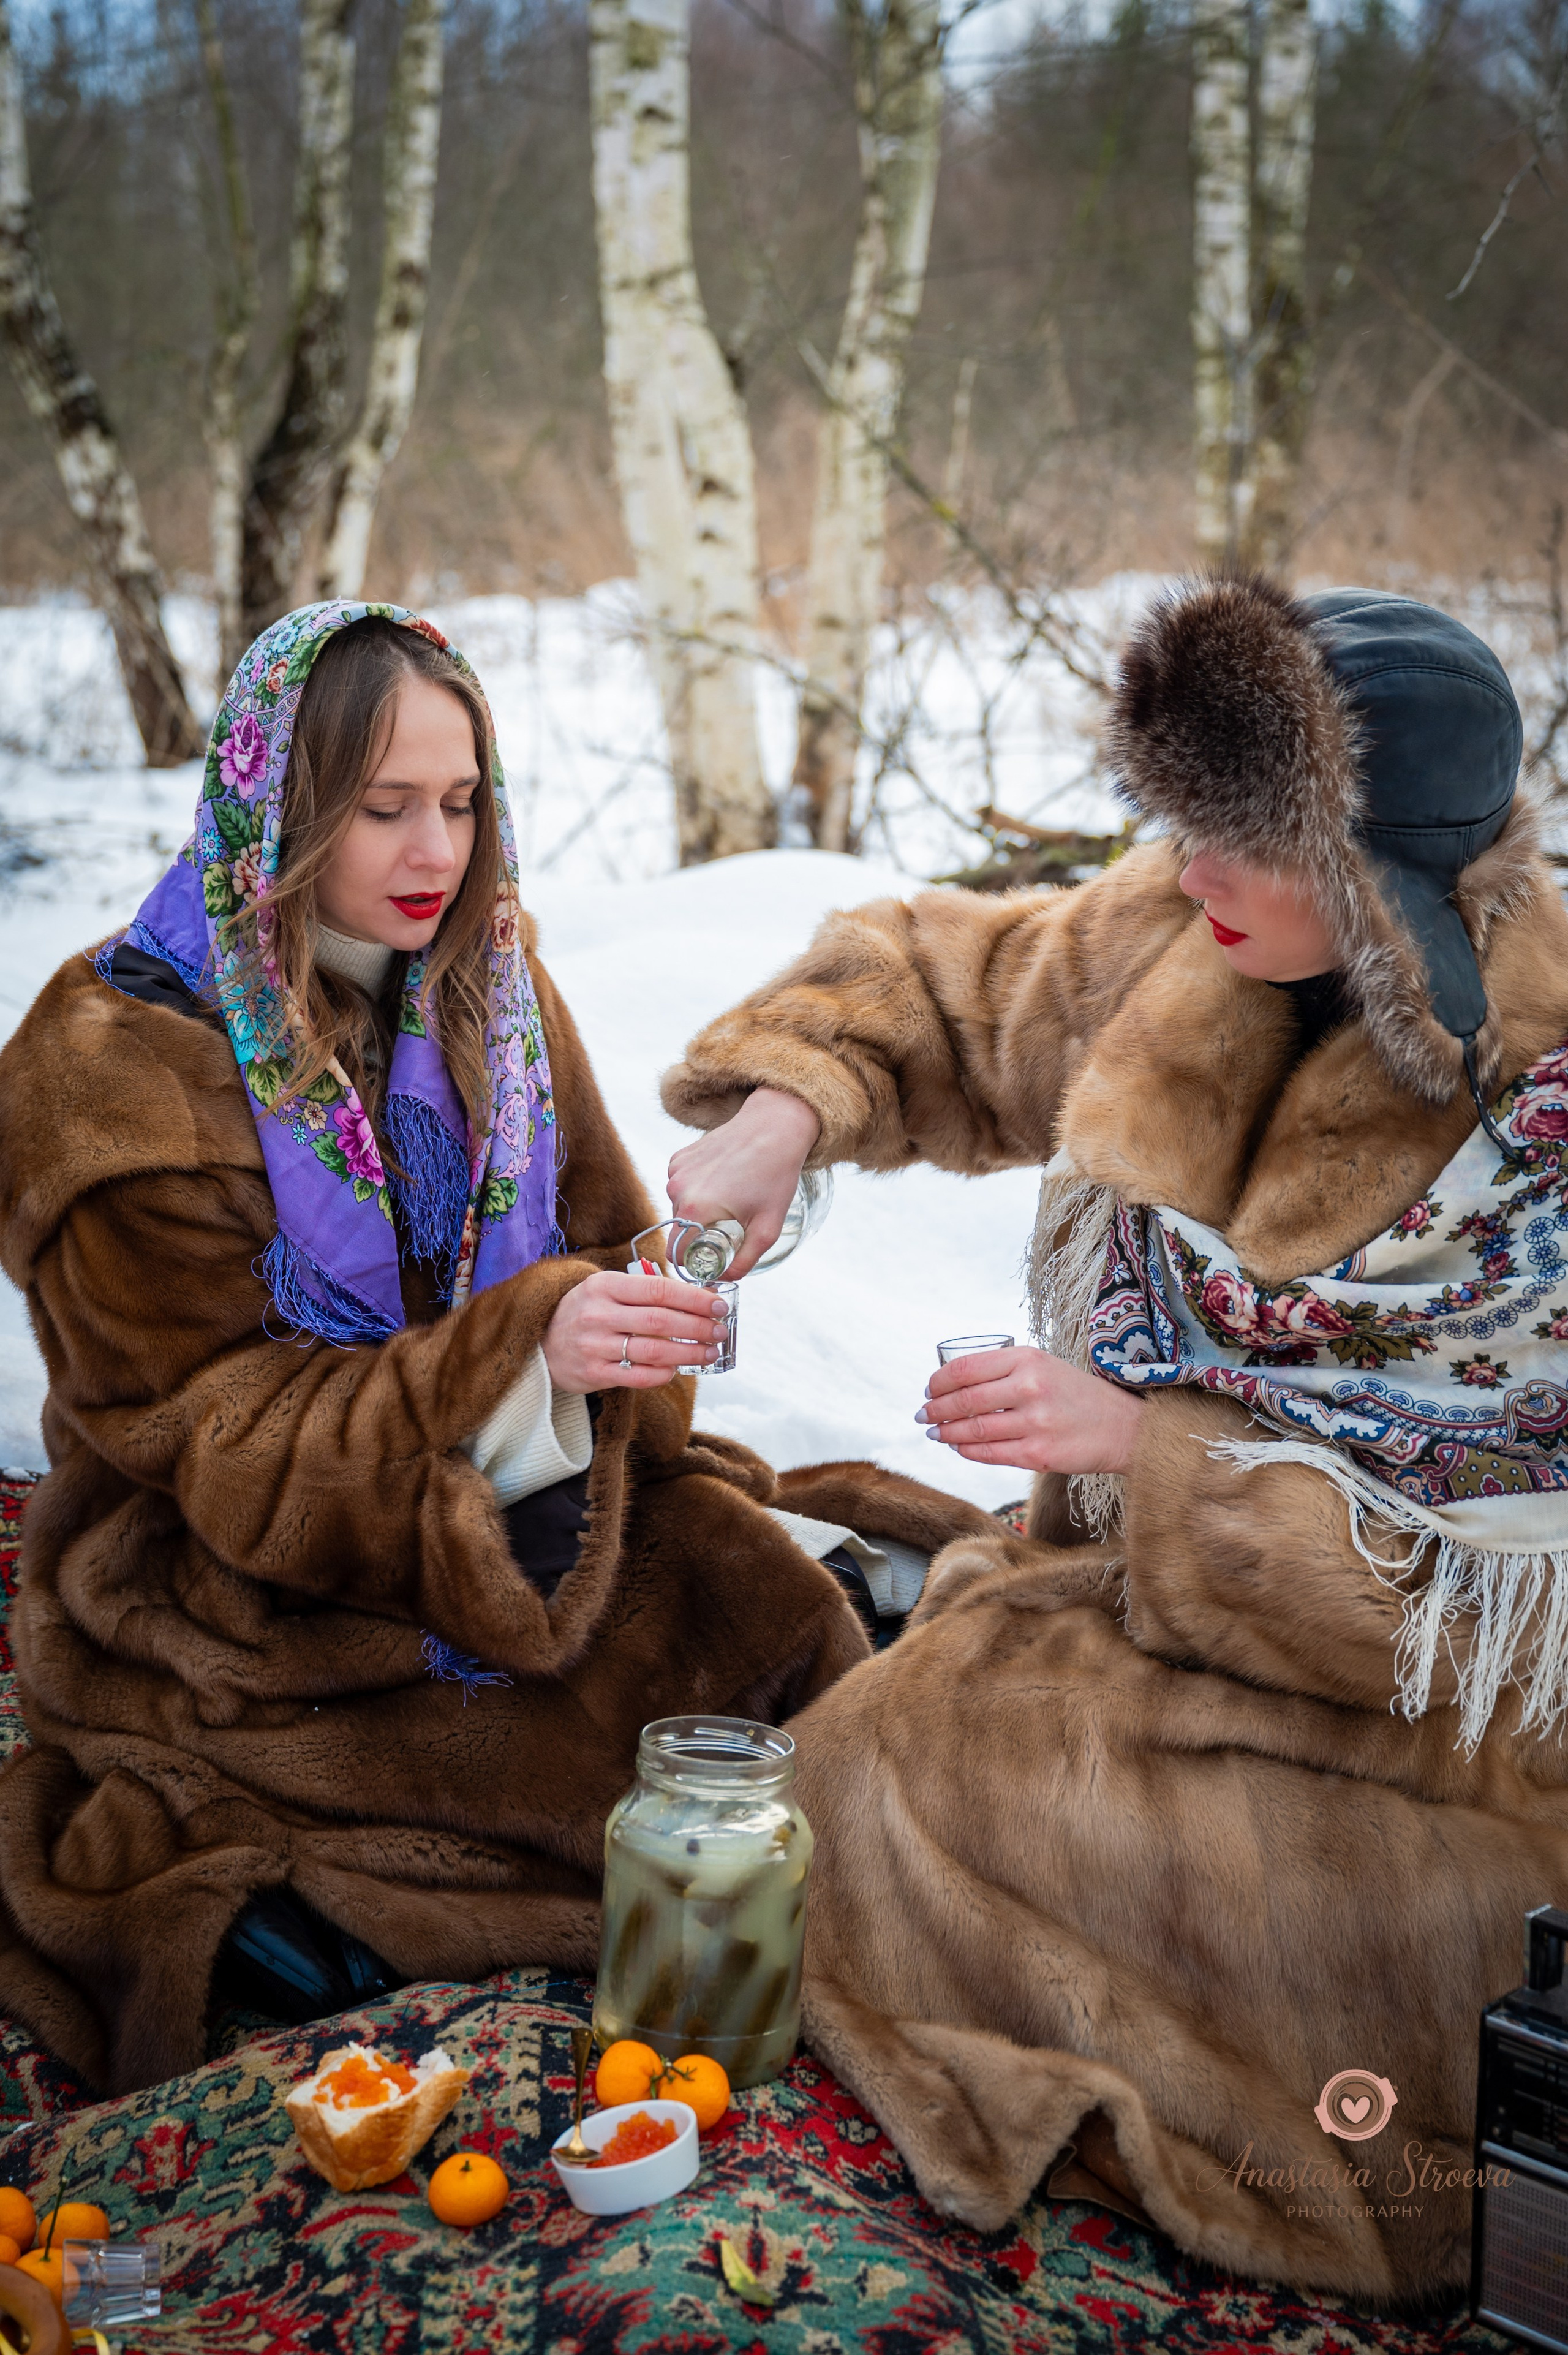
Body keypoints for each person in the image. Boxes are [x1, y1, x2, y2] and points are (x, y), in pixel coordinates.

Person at [662, 577, 1568, 2299]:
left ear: (1381, 884)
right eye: (1184, 816)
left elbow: (1491, 1619)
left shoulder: (1534, 1130)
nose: (1188, 862)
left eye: (1245, 835)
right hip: (1138, 1621)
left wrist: (1149, 1449)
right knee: (847, 1764)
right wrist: (790, 1111)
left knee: (904, 1783)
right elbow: (947, 977)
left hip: (1422, 1751)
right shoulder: (1193, 925)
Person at [0, 601, 986, 2097]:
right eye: (382, 807)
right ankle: (310, 1909)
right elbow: (218, 1438)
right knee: (577, 1787)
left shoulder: (488, 987)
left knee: (770, 1620)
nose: (436, 852)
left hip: (514, 1493)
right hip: (237, 1572)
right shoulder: (115, 1069)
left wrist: (642, 1306)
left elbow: (592, 1246)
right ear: (279, 806)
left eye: (461, 802)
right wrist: (531, 1354)